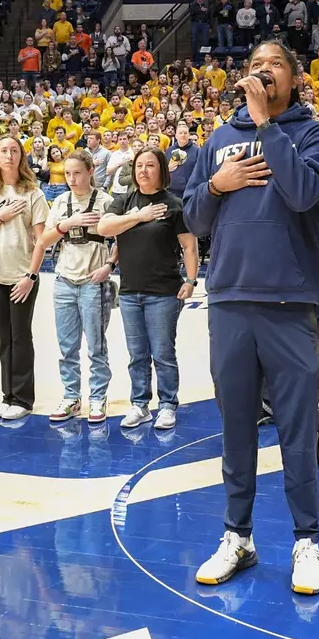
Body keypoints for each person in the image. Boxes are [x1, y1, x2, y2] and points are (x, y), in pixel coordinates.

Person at [183, 40, 319, 595]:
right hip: (227, 297)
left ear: (293, 79)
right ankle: (237, 537)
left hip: (290, 300)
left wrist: (264, 125)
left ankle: (306, 540)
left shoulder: (314, 135)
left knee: (297, 430)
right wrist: (214, 185)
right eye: (253, 65)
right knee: (235, 427)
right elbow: (195, 218)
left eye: (273, 65)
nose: (262, 71)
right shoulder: (218, 140)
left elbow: (300, 194)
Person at [99, 146, 198, 430]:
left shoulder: (173, 204)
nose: (143, 170)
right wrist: (139, 217)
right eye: (139, 165)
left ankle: (167, 405)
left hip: (164, 292)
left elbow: (189, 246)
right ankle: (140, 405)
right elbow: (105, 227)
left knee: (163, 353)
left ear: (161, 170)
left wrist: (191, 281)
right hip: (130, 292)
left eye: (150, 165)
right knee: (137, 354)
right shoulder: (124, 200)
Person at [0, 136, 49, 421]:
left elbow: (42, 241)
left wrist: (31, 275)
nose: (9, 155)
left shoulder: (34, 194)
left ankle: (23, 398)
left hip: (22, 276)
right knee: (4, 338)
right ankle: (7, 396)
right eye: (4, 150)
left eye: (14, 150)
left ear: (21, 157)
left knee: (21, 336)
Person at [39, 150, 117, 423]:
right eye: (68, 173)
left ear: (89, 172)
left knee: (96, 346)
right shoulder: (60, 202)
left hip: (93, 283)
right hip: (64, 281)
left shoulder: (106, 201)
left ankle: (97, 397)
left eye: (77, 173)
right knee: (67, 346)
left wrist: (109, 265)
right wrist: (65, 224)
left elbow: (122, 238)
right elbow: (44, 241)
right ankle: (71, 396)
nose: (72, 179)